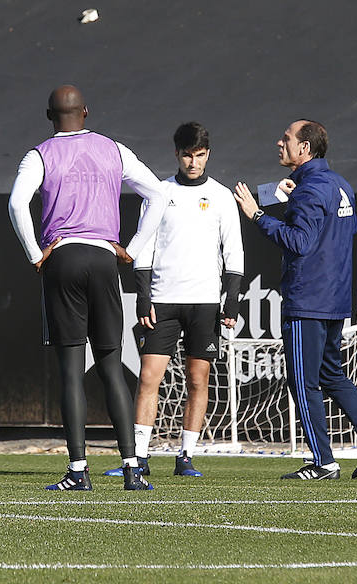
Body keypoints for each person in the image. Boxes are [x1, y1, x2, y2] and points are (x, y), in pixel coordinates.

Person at [9, 85, 167, 491]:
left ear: (49, 116)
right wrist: (131, 249)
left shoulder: (39, 154)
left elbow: (16, 204)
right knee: (112, 367)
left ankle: (78, 470)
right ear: (87, 112)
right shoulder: (113, 149)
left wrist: (34, 253)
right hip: (102, 258)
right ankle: (132, 468)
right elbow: (158, 195)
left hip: (62, 258)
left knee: (70, 371)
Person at [233, 119, 357, 480]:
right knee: (333, 374)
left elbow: (299, 242)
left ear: (304, 148)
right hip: (335, 297)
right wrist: (275, 193)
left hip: (308, 299)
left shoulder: (308, 191)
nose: (280, 142)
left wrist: (257, 215)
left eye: (287, 139)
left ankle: (323, 461)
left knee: (303, 382)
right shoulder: (340, 185)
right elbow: (347, 229)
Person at [103, 122, 243, 479]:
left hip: (205, 302)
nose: (192, 162)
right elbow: (144, 246)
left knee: (199, 379)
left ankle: (186, 457)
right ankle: (138, 458)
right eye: (186, 155)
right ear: (176, 154)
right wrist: (143, 296)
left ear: (207, 154)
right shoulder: (158, 193)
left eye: (199, 155)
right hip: (163, 301)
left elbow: (234, 252)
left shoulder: (222, 196)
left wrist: (232, 302)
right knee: (149, 377)